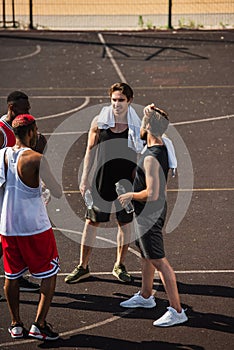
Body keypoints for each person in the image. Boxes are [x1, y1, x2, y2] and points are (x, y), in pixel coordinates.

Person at [65, 82, 145, 284]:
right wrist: (84, 179)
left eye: (121, 100)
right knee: (91, 223)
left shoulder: (137, 125)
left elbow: (141, 156)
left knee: (124, 224)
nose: (117, 104)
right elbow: (89, 151)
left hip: (126, 181)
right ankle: (83, 266)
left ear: (130, 101)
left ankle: (120, 265)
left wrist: (138, 185)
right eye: (114, 100)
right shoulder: (99, 121)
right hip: (102, 179)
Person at [118, 104, 188, 327]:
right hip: (148, 214)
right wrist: (149, 113)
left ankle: (177, 310)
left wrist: (130, 194)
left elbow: (152, 193)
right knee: (146, 254)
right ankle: (146, 296)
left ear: (148, 127)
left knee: (159, 260)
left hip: (150, 214)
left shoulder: (150, 157)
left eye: (143, 123)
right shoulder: (161, 144)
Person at [0, 114, 62, 340]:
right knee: (50, 272)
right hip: (34, 226)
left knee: (11, 275)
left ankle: (16, 323)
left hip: (7, 225)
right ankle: (39, 323)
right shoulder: (37, 159)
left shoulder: (1, 155)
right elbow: (56, 191)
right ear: (31, 132)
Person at [0, 91, 47, 295]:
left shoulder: (21, 128)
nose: (28, 112)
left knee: (13, 242)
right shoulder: (2, 132)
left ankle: (17, 278)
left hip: (16, 195)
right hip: (5, 195)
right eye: (24, 109)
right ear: (12, 108)